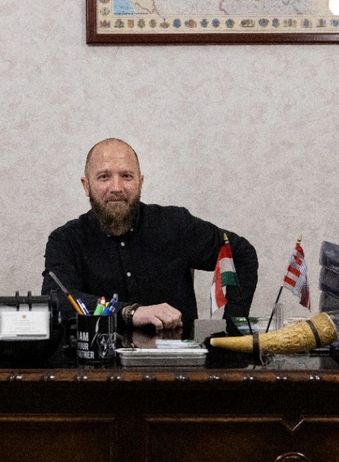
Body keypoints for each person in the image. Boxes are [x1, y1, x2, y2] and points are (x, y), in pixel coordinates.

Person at [42, 138, 257, 329]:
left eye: (126, 176)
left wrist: (233, 327)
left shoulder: (176, 225)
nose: (116, 187)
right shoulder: (65, 240)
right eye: (104, 177)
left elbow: (240, 254)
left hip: (175, 358)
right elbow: (57, 301)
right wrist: (130, 312)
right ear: (86, 186)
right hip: (100, 357)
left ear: (140, 182)